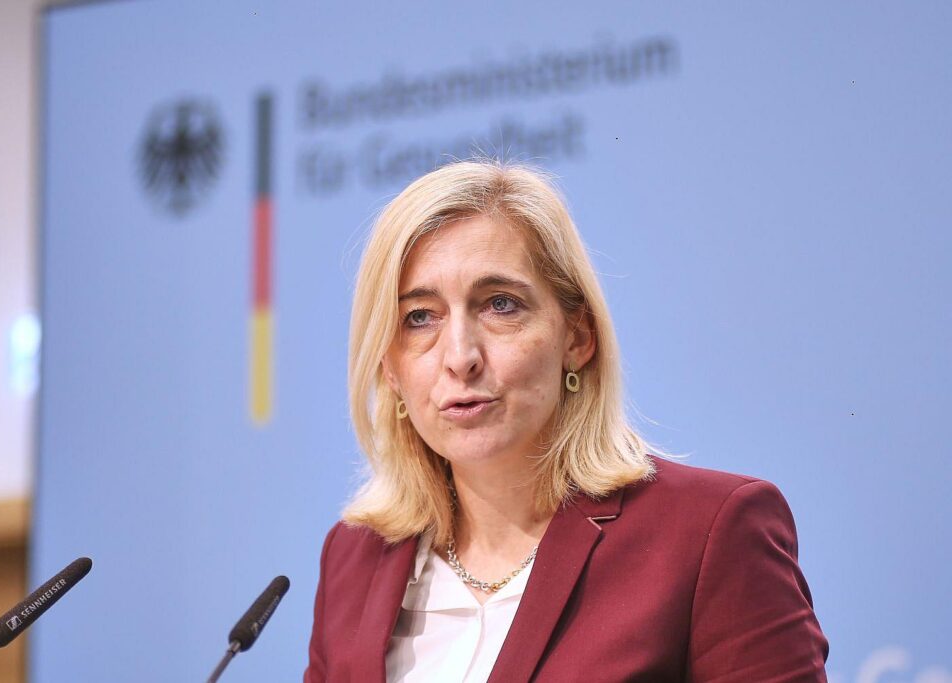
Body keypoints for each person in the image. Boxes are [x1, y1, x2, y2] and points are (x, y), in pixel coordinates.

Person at [304, 160, 828, 682]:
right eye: (419, 317)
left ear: (577, 338)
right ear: (389, 366)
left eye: (500, 305)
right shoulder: (353, 559)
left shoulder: (709, 533)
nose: (460, 357)